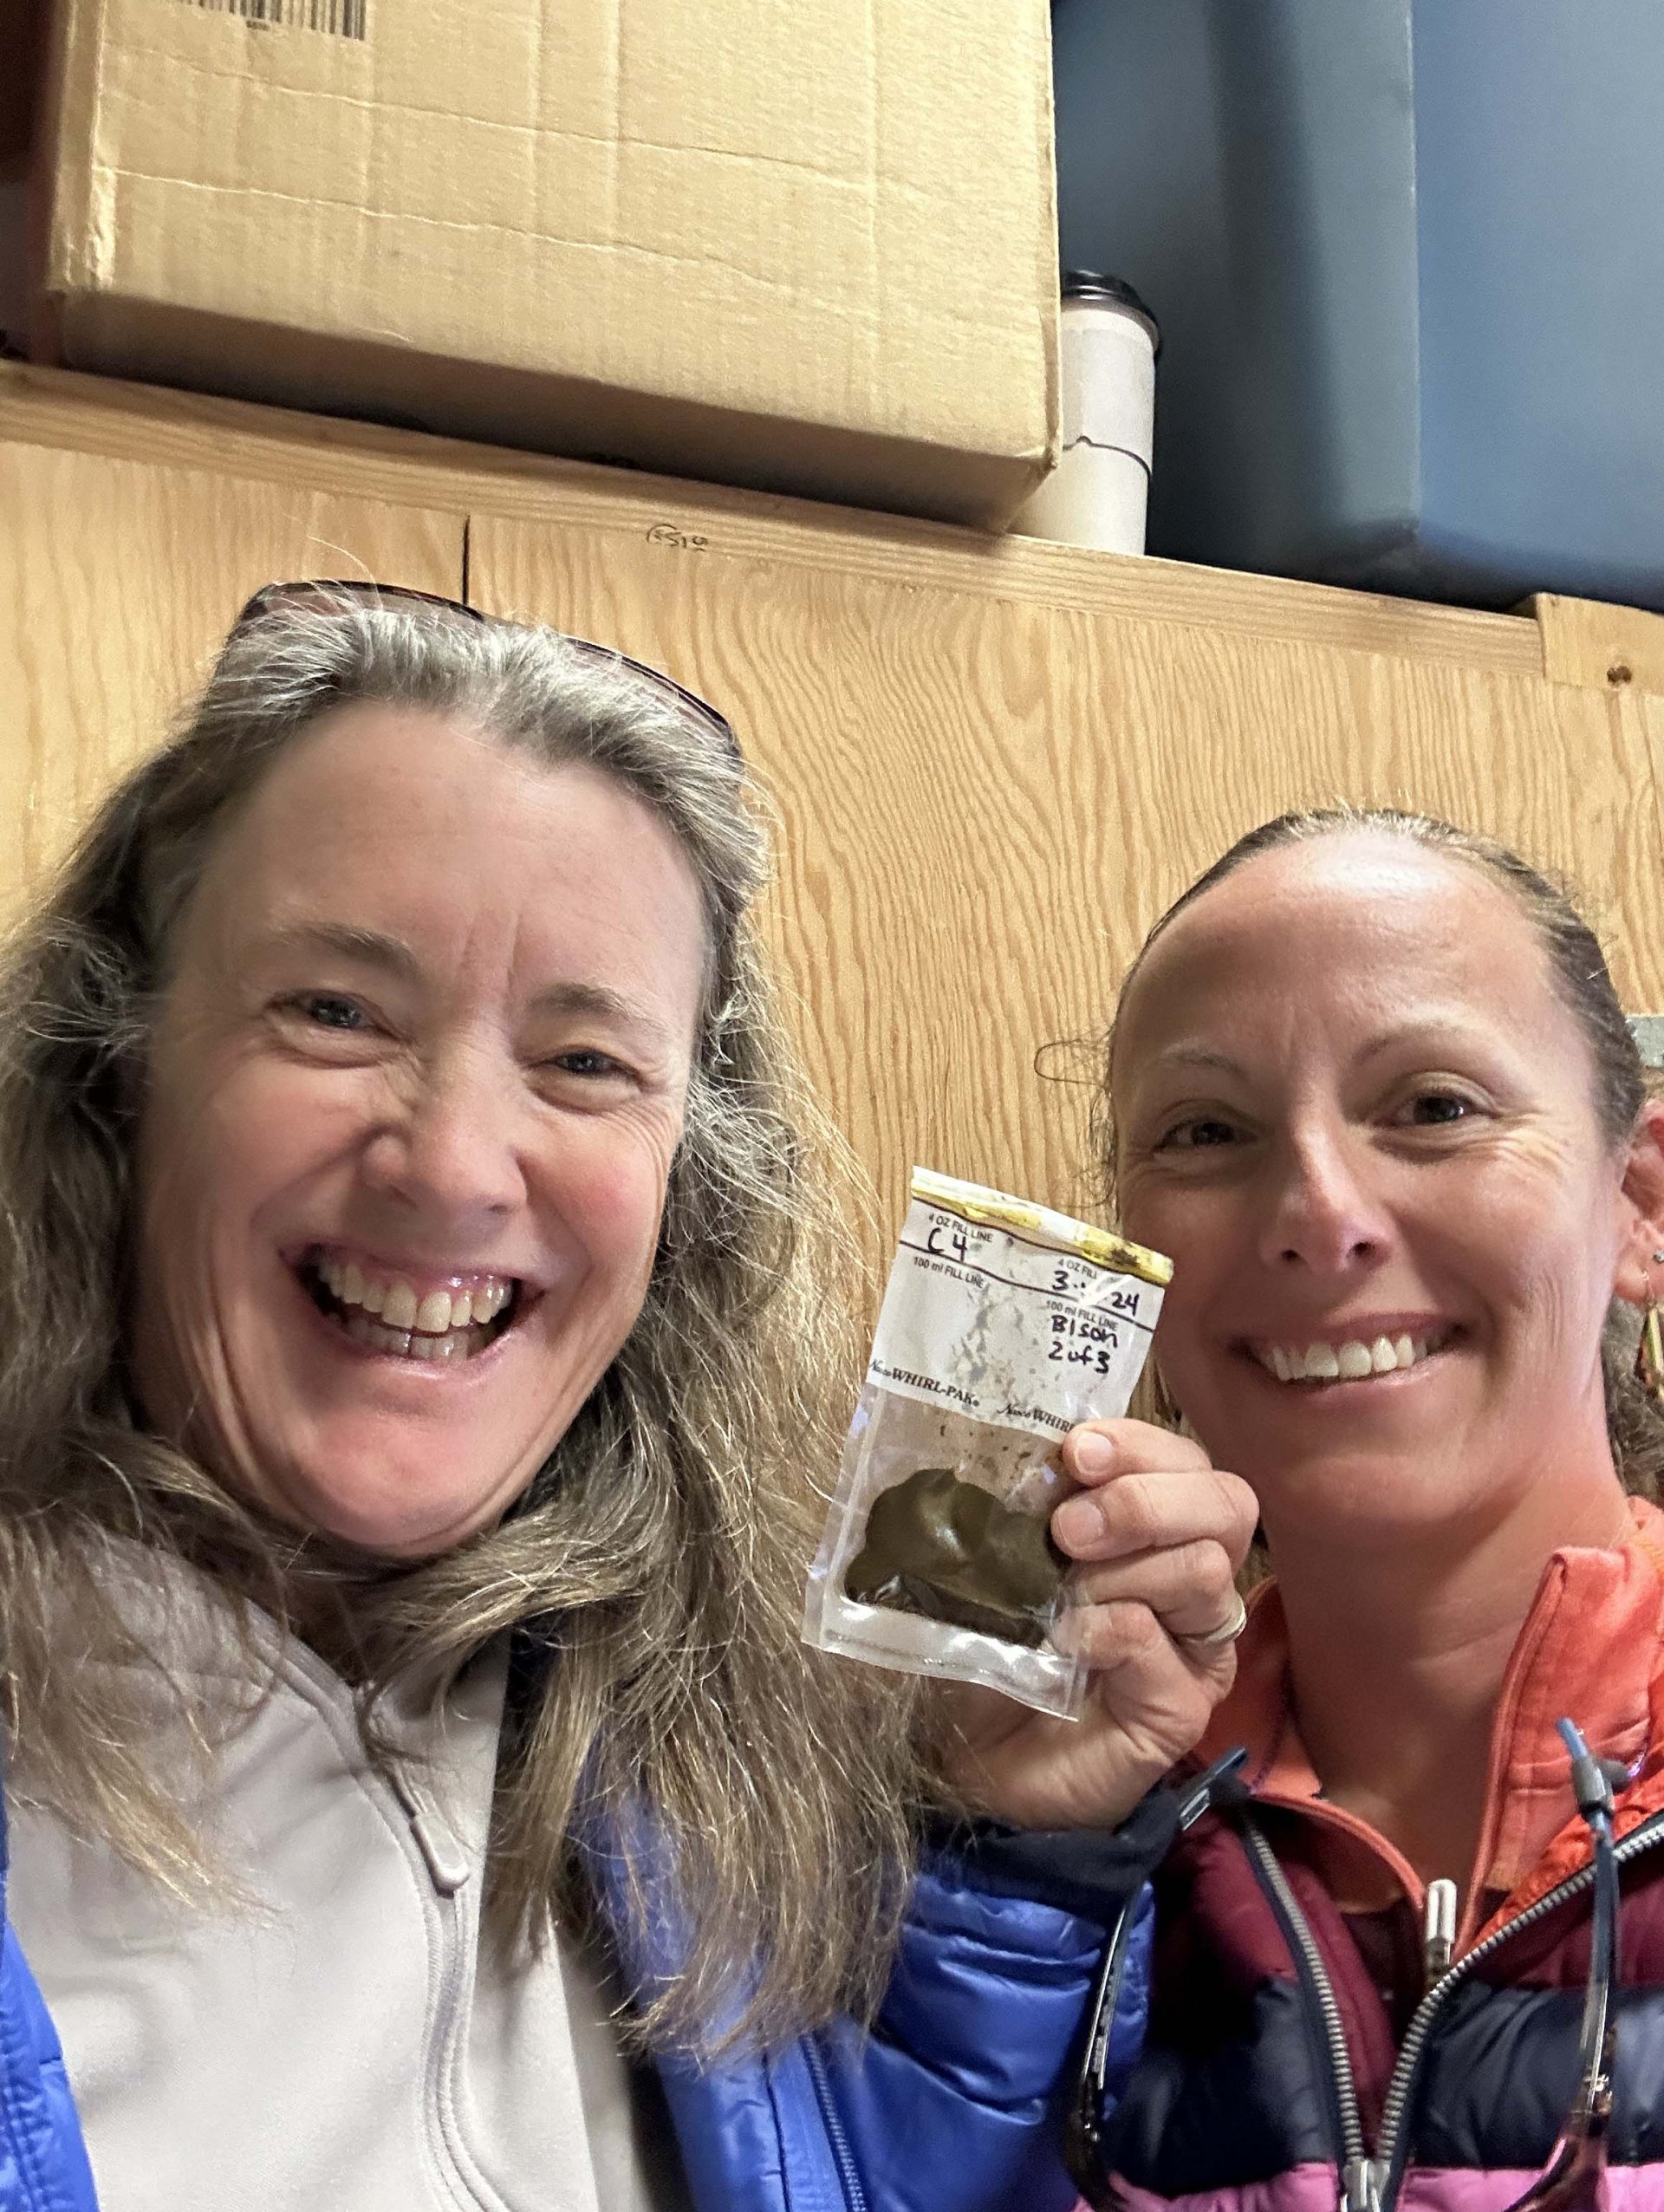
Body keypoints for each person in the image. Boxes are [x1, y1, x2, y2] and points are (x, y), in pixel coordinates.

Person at [0, 582, 1256, 2212]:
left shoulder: (714, 1745)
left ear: (687, 1183)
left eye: (586, 1061)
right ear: (122, 1065)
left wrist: (997, 1856)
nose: (453, 1165)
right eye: (334, 1011)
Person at [941, 807, 1664, 2209]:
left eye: (1435, 1107)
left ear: (1638, 1200)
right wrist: (1004, 1874)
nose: (1317, 1211)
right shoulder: (1063, 1814)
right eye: (1208, 1130)